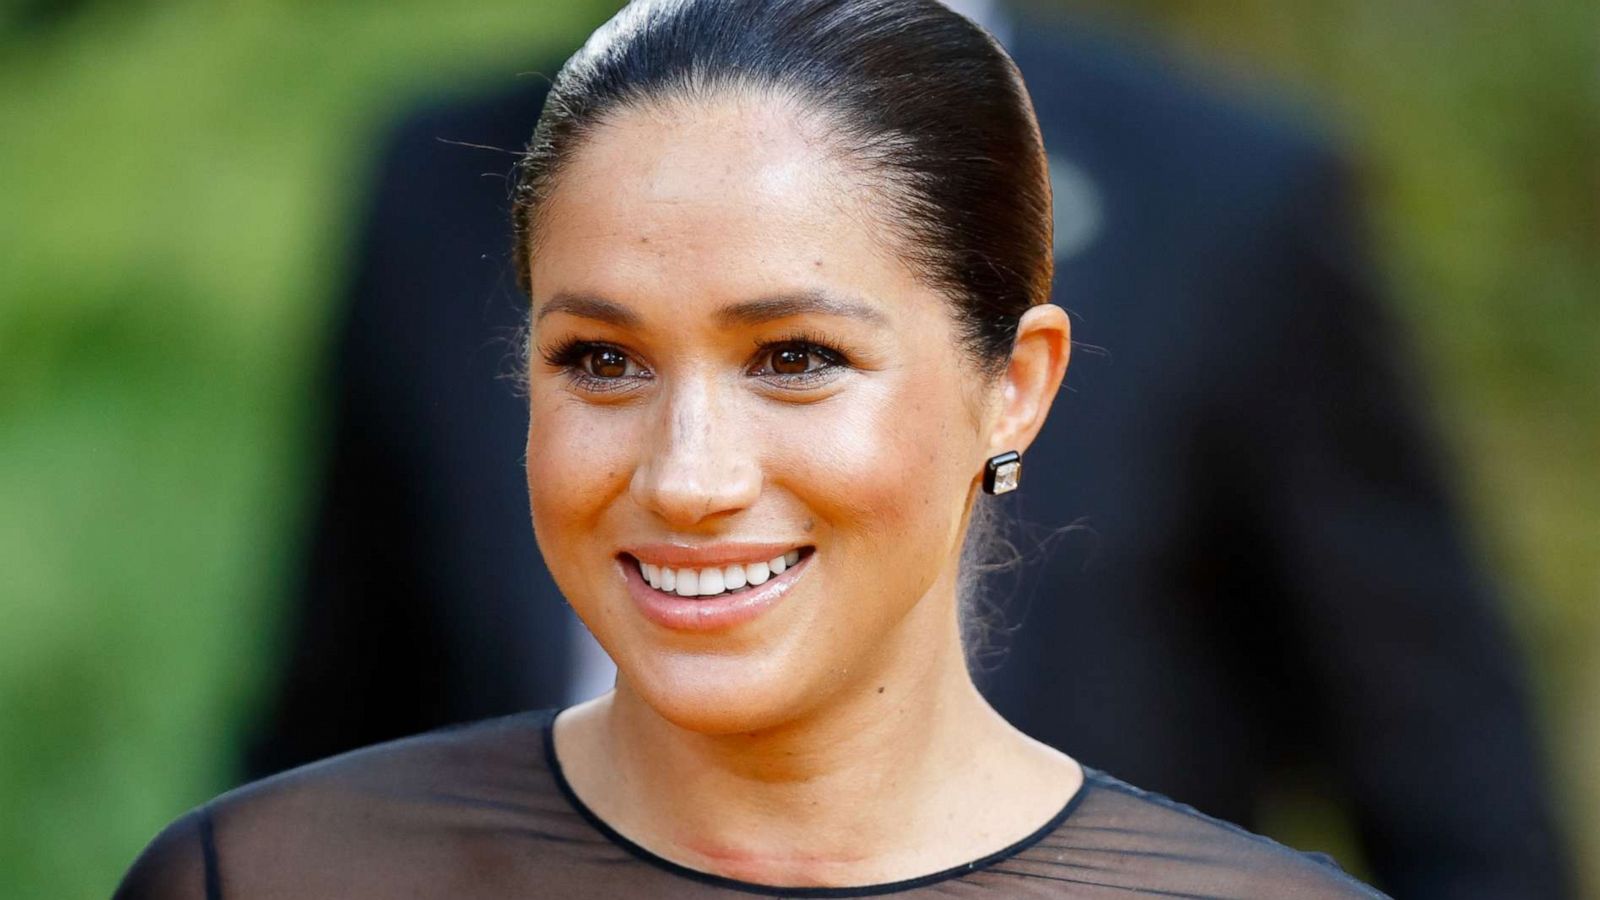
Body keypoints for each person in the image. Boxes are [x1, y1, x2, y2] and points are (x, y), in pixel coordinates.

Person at [241, 2, 1572, 897]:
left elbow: (1445, 758)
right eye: (598, 360)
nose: (690, 475)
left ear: (1021, 383)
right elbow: (342, 675)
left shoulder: (1229, 193)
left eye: (800, 359)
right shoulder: (432, 172)